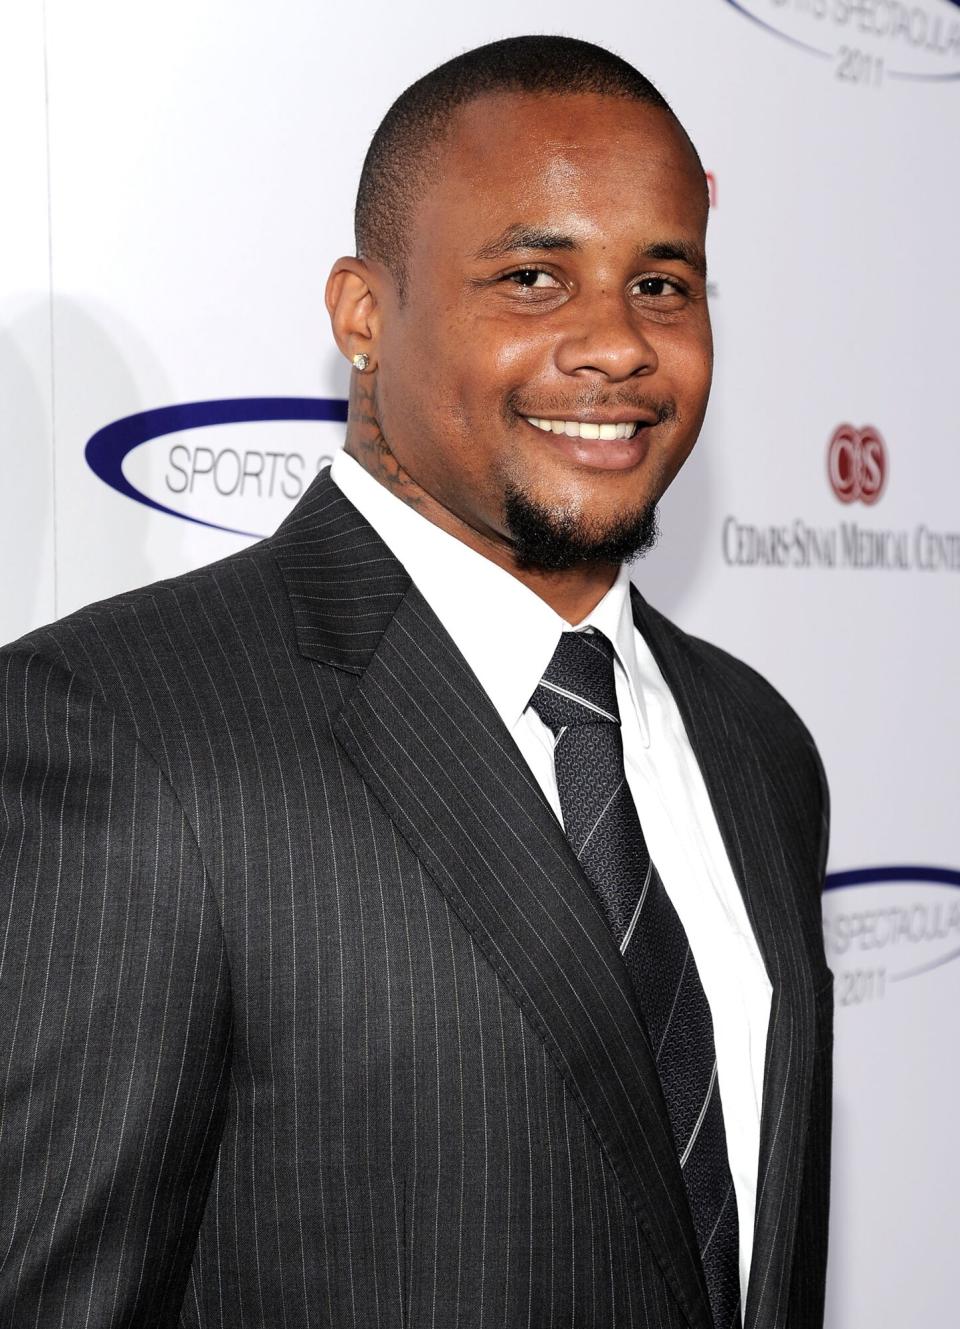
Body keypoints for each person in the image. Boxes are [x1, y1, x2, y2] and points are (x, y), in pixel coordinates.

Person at [0, 34, 832, 1329]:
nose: (617, 343)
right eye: (534, 276)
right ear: (363, 316)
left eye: (663, 283)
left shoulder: (758, 745)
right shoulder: (125, 727)